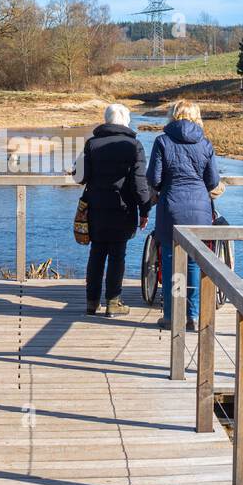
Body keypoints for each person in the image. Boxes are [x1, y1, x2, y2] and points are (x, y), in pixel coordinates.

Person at [146, 99, 220, 331]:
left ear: (173, 115)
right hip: (199, 208)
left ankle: (171, 316)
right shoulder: (205, 143)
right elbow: (213, 181)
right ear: (196, 117)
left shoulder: (162, 141)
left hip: (171, 207)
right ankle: (194, 316)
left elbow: (154, 179)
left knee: (169, 262)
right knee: (194, 263)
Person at [78, 103, 155, 317]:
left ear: (106, 119)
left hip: (95, 207)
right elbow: (140, 183)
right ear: (126, 120)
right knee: (117, 256)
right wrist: (145, 209)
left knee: (96, 254)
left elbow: (82, 176)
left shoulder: (91, 143)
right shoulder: (133, 145)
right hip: (123, 209)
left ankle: (92, 302)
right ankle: (113, 302)